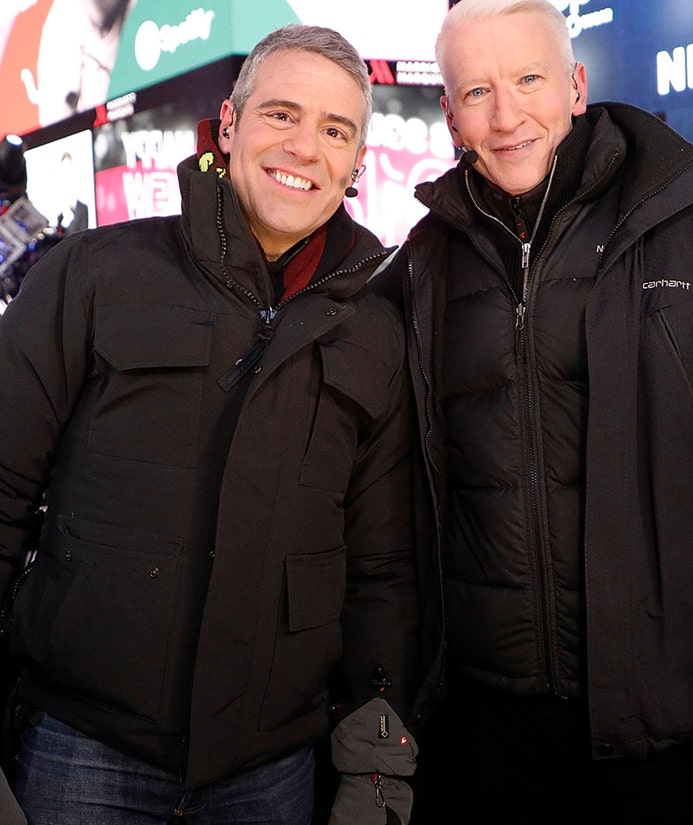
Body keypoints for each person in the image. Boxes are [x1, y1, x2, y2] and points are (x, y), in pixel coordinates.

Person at [391, 0, 693, 823]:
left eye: (527, 79)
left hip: (673, 727)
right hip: (483, 735)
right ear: (448, 113)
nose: (507, 113)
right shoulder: (421, 266)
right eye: (476, 91)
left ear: (576, 84)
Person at [0, 24, 421, 825]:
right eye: (281, 115)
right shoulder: (92, 275)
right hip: (79, 754)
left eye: (335, 130)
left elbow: (381, 569)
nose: (304, 146)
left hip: (268, 773)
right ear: (228, 125)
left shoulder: (377, 331)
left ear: (357, 161)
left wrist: (375, 754)